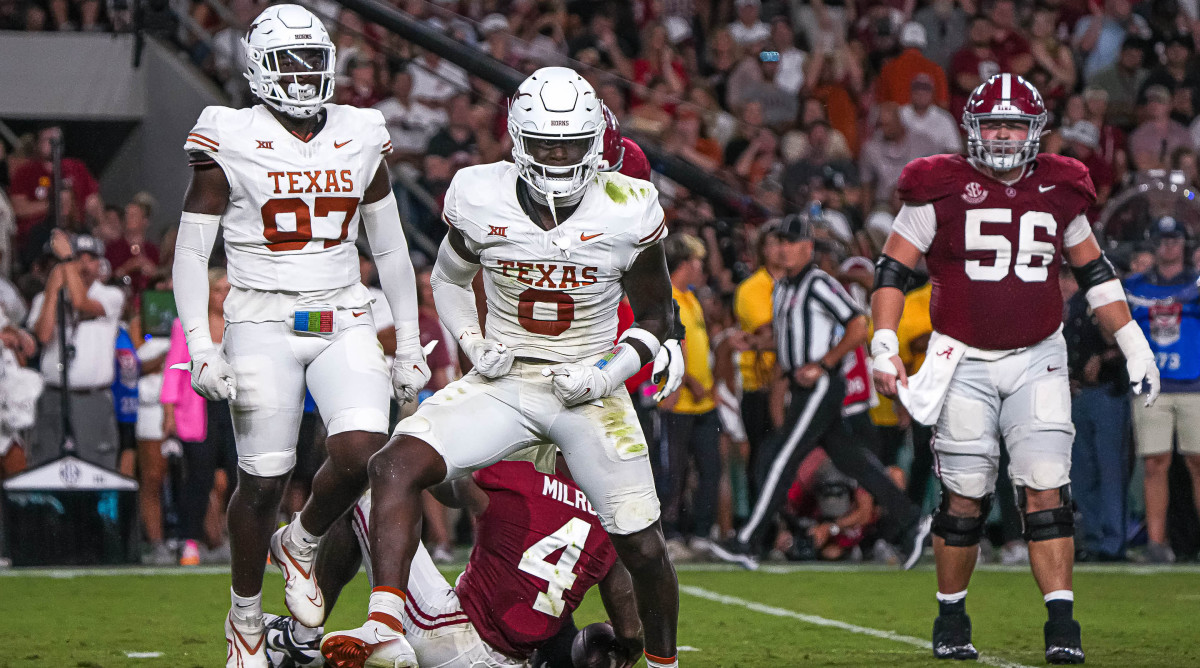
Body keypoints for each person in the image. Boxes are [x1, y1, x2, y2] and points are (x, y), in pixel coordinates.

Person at [321, 67, 681, 668]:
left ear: (596, 141)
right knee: (393, 463)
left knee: (643, 546)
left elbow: (657, 316)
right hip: (508, 376)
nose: (559, 156)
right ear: (516, 136)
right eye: (545, 142)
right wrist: (471, 339)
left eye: (570, 143)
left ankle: (666, 665)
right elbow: (448, 277)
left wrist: (609, 372)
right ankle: (384, 620)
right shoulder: (478, 191)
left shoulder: (630, 204)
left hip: (590, 387)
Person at [172, 6, 431, 666]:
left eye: (312, 59)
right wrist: (201, 345)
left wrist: (406, 340)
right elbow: (189, 251)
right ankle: (246, 618)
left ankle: (305, 536)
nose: (303, 74)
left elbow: (392, 247)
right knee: (262, 480)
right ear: (258, 67)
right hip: (260, 314)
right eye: (288, 61)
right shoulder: (226, 133)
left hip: (338, 311)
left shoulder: (359, 130)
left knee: (365, 451)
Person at [869, 73, 1159, 664]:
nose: (1002, 136)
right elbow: (892, 270)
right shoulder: (939, 185)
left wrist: (1133, 341)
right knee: (966, 494)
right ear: (974, 129)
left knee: (1047, 488)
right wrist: (882, 341)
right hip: (963, 357)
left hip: (1038, 354)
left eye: (1013, 125)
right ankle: (951, 615)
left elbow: (1094, 272)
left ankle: (1061, 623)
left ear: (1036, 131)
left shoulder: (1061, 186)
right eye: (993, 124)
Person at [266, 456, 643, 668]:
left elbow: (452, 489)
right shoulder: (609, 524)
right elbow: (629, 625)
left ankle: (303, 639)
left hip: (451, 632)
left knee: (370, 495)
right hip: (515, 661)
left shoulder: (521, 476)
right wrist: (627, 647)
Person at [710, 215, 930, 571]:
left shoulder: (817, 283)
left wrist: (825, 363)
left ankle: (748, 540)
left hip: (820, 384)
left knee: (779, 457)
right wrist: (752, 343)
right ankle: (911, 523)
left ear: (807, 248)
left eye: (790, 242)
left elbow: (858, 325)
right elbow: (786, 338)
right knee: (853, 461)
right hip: (800, 384)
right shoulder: (782, 288)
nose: (782, 249)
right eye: (779, 242)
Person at [1124, 216, 1200, 564]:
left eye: (1175, 239)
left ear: (1184, 244)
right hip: (1151, 384)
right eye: (1163, 239)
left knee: (1198, 462)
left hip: (1194, 382)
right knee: (1155, 463)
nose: (1169, 245)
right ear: (1153, 243)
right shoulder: (1135, 286)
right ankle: (1157, 543)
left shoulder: (1196, 283)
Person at [28, 231, 125, 469]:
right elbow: (43, 335)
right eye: (78, 257)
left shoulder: (111, 295)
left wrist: (67, 260)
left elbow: (81, 303)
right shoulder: (44, 298)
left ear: (100, 265)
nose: (83, 264)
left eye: (90, 258)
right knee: (47, 467)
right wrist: (52, 289)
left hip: (92, 398)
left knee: (97, 470)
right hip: (53, 395)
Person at [658, 235, 721, 557]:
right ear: (685, 263)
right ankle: (670, 534)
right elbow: (667, 347)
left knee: (711, 469)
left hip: (703, 403)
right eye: (698, 262)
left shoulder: (690, 298)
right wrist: (689, 380)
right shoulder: (666, 298)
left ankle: (700, 533)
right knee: (673, 471)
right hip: (677, 401)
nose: (702, 268)